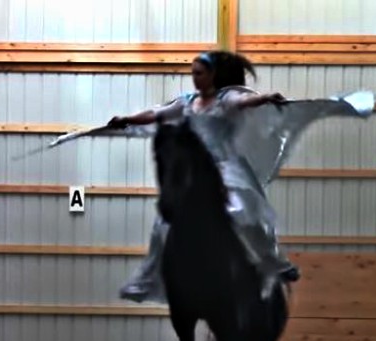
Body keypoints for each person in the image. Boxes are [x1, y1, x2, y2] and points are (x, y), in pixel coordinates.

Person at [107, 51, 301, 303]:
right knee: (165, 223)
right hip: (195, 170)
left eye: (199, 73)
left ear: (212, 75)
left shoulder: (225, 99)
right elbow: (156, 114)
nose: (194, 78)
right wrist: (126, 119)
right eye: (193, 74)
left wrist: (265, 97)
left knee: (243, 211)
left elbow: (243, 101)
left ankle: (273, 261)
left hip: (226, 166)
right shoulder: (187, 103)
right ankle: (147, 279)